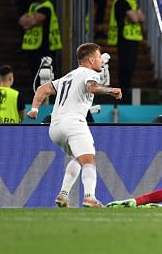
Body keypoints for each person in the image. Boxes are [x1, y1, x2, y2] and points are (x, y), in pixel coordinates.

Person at [27, 43, 123, 207]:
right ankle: (89, 197)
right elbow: (91, 87)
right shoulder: (89, 73)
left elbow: (43, 89)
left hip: (55, 127)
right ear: (91, 60)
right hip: (73, 123)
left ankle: (63, 194)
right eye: (99, 58)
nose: (101, 61)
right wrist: (110, 90)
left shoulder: (68, 76)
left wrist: (35, 108)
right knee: (89, 159)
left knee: (77, 158)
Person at [109, 0, 144, 105]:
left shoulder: (133, 1)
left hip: (133, 38)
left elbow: (142, 17)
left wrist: (136, 14)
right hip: (124, 38)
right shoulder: (121, 1)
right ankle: (122, 94)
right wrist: (136, 15)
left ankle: (125, 92)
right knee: (125, 67)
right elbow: (135, 18)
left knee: (131, 67)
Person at [20, 0, 62, 85]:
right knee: (35, 76)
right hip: (33, 47)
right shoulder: (33, 6)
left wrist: (30, 21)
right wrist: (29, 21)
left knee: (44, 77)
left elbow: (32, 22)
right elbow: (22, 21)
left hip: (44, 47)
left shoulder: (46, 6)